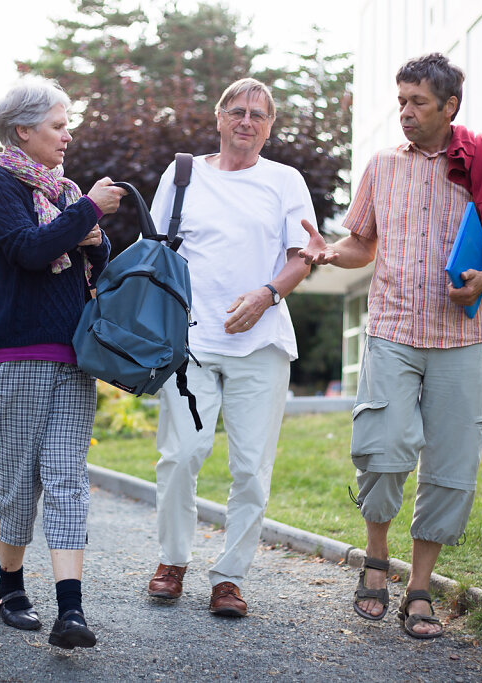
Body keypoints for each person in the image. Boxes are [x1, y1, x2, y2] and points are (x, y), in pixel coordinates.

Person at [300, 53, 482, 639]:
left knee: (450, 466)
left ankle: (419, 589)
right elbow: (361, 246)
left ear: (450, 106)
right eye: (401, 100)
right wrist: (327, 252)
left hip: (461, 338)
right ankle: (377, 561)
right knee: (381, 447)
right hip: (393, 331)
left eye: (418, 101)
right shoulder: (381, 165)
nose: (405, 111)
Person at [145, 77, 315, 618]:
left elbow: (303, 254)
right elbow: (155, 250)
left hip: (260, 342)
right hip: (189, 340)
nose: (247, 121)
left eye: (258, 115)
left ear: (269, 127)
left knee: (250, 468)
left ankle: (229, 578)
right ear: (219, 118)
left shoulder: (285, 181)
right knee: (181, 454)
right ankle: (172, 561)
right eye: (237, 111)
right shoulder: (183, 173)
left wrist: (267, 296)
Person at [0, 75, 124, 649]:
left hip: (71, 356)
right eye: (58, 126)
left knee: (66, 479)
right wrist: (84, 213)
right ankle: (11, 586)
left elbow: (93, 259)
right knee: (17, 482)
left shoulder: (61, 191)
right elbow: (29, 251)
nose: (67, 136)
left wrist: (91, 230)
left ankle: (72, 611)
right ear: (23, 130)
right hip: (12, 356)